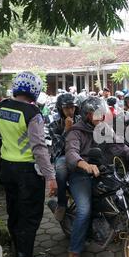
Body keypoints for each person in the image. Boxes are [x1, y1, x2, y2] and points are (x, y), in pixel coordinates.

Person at [64, 97, 129, 257]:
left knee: (124, 192)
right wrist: (85, 165)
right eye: (96, 113)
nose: (100, 116)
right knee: (84, 210)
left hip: (102, 171)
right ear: (87, 115)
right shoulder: (76, 132)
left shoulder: (104, 129)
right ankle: (74, 252)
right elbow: (70, 153)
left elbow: (119, 145)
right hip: (81, 174)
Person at [0, 71, 57, 257]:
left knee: (13, 211)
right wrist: (50, 176)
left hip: (7, 168)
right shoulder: (33, 113)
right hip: (27, 172)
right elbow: (39, 148)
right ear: (34, 90)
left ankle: (16, 251)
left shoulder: (2, 106)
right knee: (30, 215)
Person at [48, 93, 80, 221]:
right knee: (61, 172)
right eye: (67, 108)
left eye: (72, 107)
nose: (70, 111)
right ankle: (61, 204)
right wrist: (67, 130)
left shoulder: (81, 121)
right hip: (63, 156)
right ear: (60, 109)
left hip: (80, 154)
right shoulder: (54, 125)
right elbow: (58, 148)